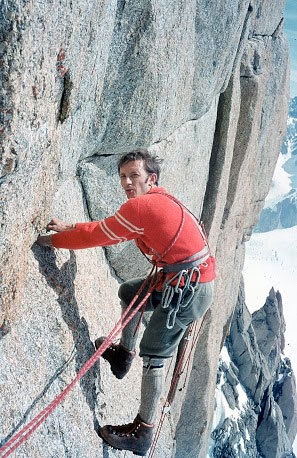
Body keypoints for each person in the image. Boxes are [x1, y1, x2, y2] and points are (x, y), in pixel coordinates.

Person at [37, 149, 215, 456]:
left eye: (135, 175)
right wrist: (67, 228)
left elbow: (97, 237)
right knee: (130, 293)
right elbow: (105, 229)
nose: (128, 182)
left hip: (188, 288)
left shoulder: (144, 208)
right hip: (187, 279)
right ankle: (123, 355)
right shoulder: (160, 200)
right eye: (123, 177)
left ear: (151, 179)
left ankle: (143, 433)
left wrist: (48, 242)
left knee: (156, 351)